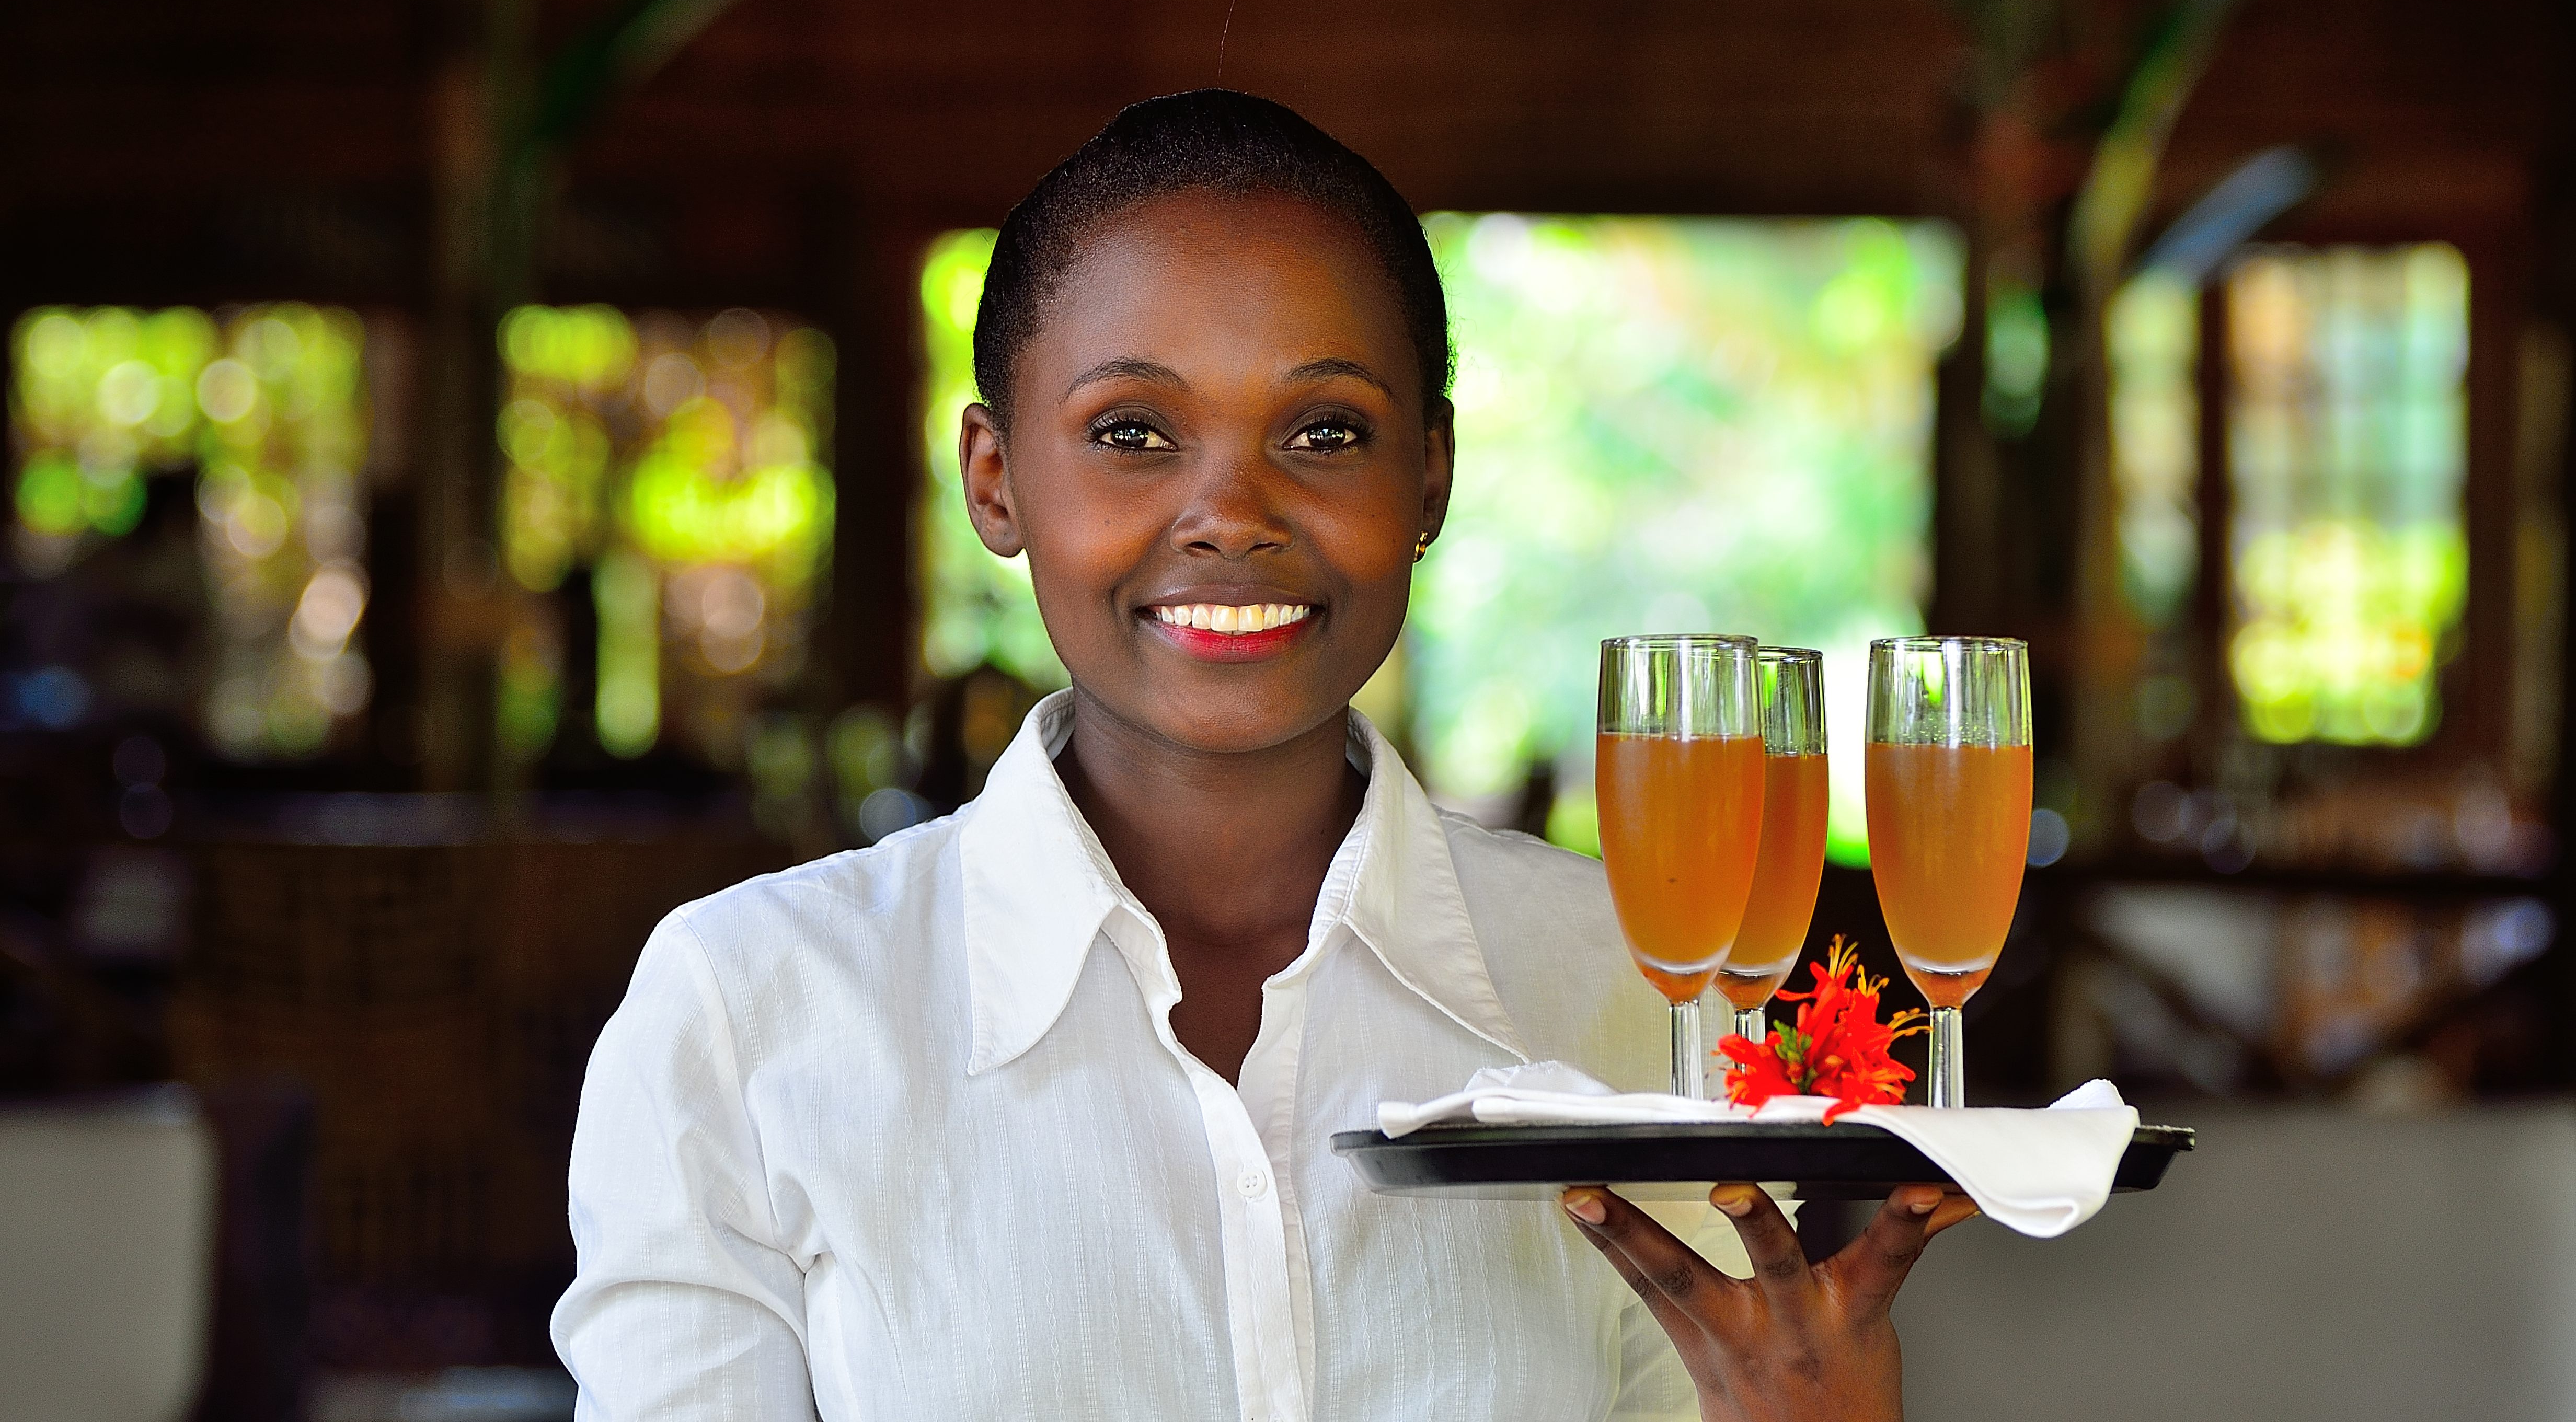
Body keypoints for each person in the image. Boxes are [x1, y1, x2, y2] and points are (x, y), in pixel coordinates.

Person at [552, 90, 1974, 1420]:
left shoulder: (1635, 996)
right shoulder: (749, 1014)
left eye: (1325, 430)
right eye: (1131, 432)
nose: (1230, 512)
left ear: (1431, 475)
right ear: (995, 478)